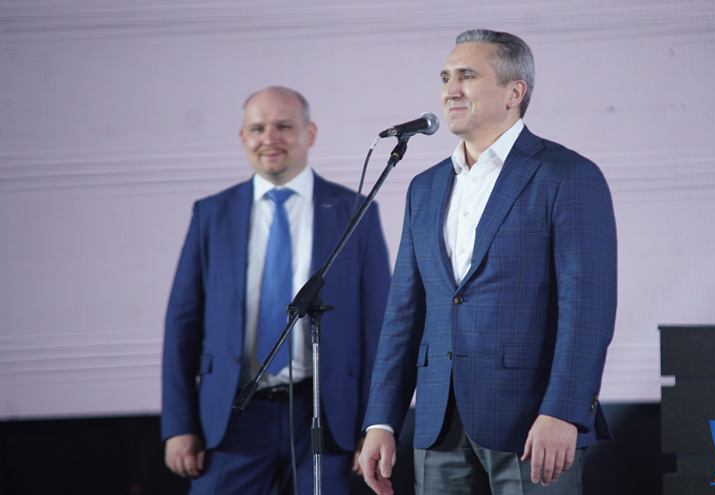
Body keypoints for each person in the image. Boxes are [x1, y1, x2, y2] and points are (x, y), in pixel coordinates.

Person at [358, 29, 617, 495]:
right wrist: (382, 420)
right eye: (445, 78)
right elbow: (403, 314)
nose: (450, 90)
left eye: (467, 76)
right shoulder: (424, 188)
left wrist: (563, 411)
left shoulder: (568, 176)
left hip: (533, 423)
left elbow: (588, 311)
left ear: (514, 92)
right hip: (438, 425)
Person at [162, 86, 391, 495]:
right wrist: (179, 425)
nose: (269, 139)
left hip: (323, 414)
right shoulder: (211, 214)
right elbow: (182, 325)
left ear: (310, 133)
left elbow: (379, 328)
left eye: (283, 126)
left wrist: (374, 424)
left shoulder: (355, 211)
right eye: (257, 129)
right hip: (233, 415)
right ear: (243, 137)